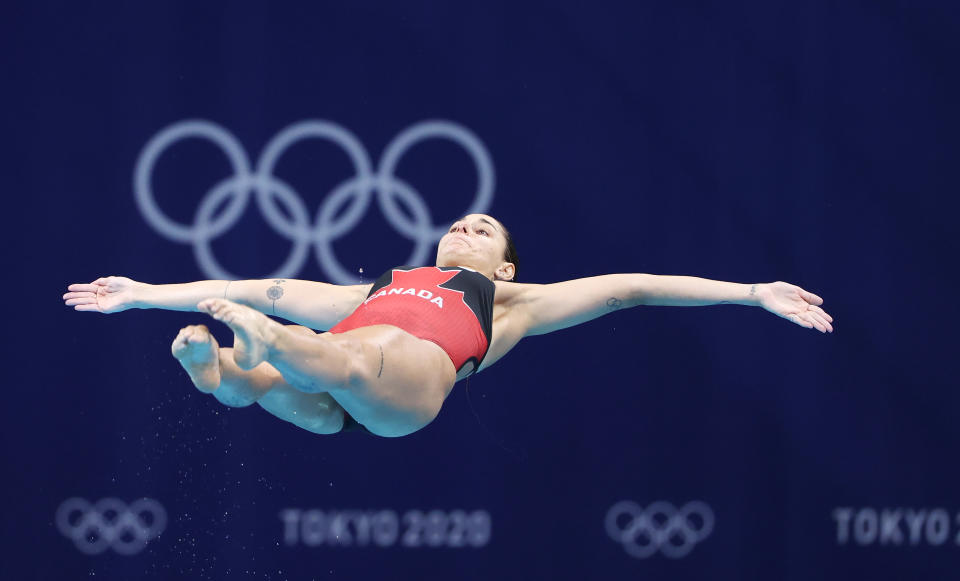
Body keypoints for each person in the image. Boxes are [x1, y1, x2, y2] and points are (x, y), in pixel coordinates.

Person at [63, 214, 833, 437]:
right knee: (268, 381)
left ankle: (265, 344)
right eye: (459, 225)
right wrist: (141, 293)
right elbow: (259, 282)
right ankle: (217, 365)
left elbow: (632, 288)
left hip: (405, 386)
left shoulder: (513, 303)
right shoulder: (383, 287)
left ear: (503, 267)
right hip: (343, 381)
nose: (464, 230)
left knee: (359, 352)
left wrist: (752, 290)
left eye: (483, 230)